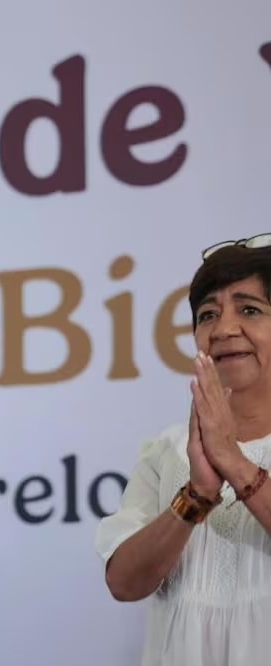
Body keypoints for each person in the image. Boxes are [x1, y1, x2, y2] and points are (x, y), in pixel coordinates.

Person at [95, 234, 271, 665]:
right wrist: (196, 495)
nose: (224, 329)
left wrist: (232, 460)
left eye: (250, 309)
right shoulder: (168, 450)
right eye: (207, 314)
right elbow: (124, 583)